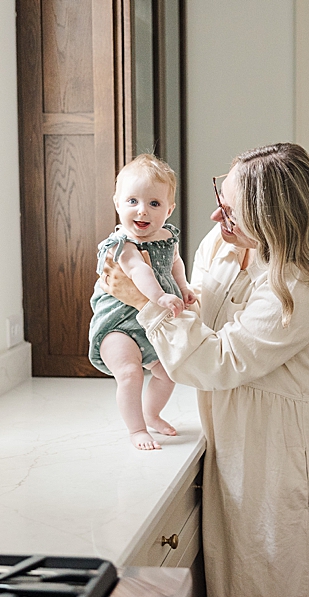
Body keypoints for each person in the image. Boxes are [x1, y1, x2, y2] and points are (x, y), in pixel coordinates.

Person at [101, 143, 309, 597]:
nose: (216, 219)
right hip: (235, 434)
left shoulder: (299, 282)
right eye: (221, 198)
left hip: (287, 449)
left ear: (272, 221)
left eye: (233, 212)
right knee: (241, 578)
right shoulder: (221, 246)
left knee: (286, 580)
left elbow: (219, 360)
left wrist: (143, 302)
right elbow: (198, 315)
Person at [88, 154, 196, 450]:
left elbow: (175, 263)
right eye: (132, 201)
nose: (142, 211)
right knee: (130, 373)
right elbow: (139, 270)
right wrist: (161, 296)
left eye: (154, 204)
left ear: (169, 209)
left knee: (168, 372)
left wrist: (183, 286)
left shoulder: (167, 237)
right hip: (118, 323)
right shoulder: (121, 244)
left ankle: (151, 414)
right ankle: (136, 429)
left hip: (151, 321)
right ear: (117, 203)